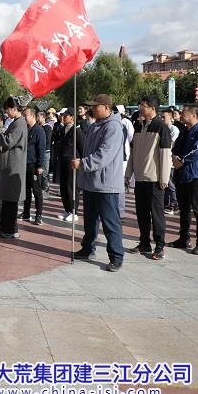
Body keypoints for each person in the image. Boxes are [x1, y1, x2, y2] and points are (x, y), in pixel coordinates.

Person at [72, 95, 126, 272]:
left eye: (96, 107)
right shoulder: (95, 125)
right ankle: (88, 248)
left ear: (106, 107)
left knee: (110, 223)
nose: (92, 109)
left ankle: (116, 256)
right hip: (91, 183)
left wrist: (83, 164)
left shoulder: (114, 127)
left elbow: (104, 154)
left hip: (106, 184)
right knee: (90, 221)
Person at [124, 95, 171, 260]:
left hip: (154, 180)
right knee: (142, 213)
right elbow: (132, 153)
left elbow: (165, 154)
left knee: (156, 214)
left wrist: (164, 178)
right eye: (140, 104)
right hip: (140, 179)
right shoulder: (138, 125)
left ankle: (159, 246)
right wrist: (128, 174)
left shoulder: (161, 127)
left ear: (153, 108)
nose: (140, 107)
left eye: (143, 105)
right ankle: (144, 243)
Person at [170, 104, 198, 255]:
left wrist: (182, 160)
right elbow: (176, 148)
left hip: (195, 176)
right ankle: (183, 238)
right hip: (182, 176)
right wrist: (175, 157)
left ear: (193, 115)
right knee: (184, 210)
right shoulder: (184, 130)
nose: (180, 115)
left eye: (184, 113)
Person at [0, 97, 27, 239]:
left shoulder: (19, 123)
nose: (6, 112)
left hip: (13, 166)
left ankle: (8, 230)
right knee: (8, 200)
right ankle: (10, 228)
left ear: (14, 109)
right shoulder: (17, 122)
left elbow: (8, 141)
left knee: (10, 201)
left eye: (7, 109)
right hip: (11, 165)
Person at [56, 109, 83, 222]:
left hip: (72, 163)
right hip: (63, 161)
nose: (63, 117)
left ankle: (74, 211)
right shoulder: (62, 129)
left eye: (66, 116)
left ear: (72, 117)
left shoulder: (77, 131)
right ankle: (67, 209)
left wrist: (80, 162)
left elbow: (82, 148)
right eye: (63, 115)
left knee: (71, 187)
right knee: (63, 187)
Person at [22, 107, 46, 225]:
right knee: (26, 190)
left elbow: (41, 149)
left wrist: (40, 165)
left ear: (32, 116)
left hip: (34, 165)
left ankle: (39, 215)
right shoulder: (26, 129)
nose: (24, 117)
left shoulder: (39, 130)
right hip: (25, 165)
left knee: (36, 191)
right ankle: (26, 212)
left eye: (26, 115)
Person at [162, 108, 179, 214]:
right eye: (161, 116)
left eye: (164, 117)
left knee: (171, 184)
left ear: (171, 118)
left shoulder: (174, 129)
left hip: (171, 161)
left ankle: (174, 205)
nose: (162, 118)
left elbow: (170, 145)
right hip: (163, 160)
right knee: (165, 184)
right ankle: (166, 204)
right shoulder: (162, 128)